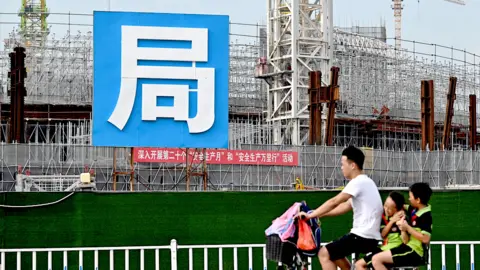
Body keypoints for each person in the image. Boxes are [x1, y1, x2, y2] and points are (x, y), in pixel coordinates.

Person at [295, 145, 383, 270]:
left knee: (324, 253)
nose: (341, 168)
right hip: (368, 236)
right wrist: (318, 214)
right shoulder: (366, 182)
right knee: (334, 252)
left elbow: (335, 201)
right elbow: (345, 206)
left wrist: (310, 215)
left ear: (352, 165)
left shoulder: (358, 182)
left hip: (362, 235)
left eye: (343, 164)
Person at [371, 182, 433, 270]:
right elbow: (399, 205)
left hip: (414, 251)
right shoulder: (414, 209)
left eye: (410, 197)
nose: (409, 199)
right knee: (377, 259)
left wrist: (407, 227)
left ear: (418, 200)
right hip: (407, 248)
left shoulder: (425, 216)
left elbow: (426, 239)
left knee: (376, 259)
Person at [354, 191, 406, 270]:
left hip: (394, 250)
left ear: (397, 209)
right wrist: (392, 221)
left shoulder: (403, 218)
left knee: (359, 265)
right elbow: (383, 234)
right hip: (384, 248)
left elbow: (405, 240)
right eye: (385, 205)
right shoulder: (383, 216)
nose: (386, 209)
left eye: (390, 208)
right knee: (359, 264)